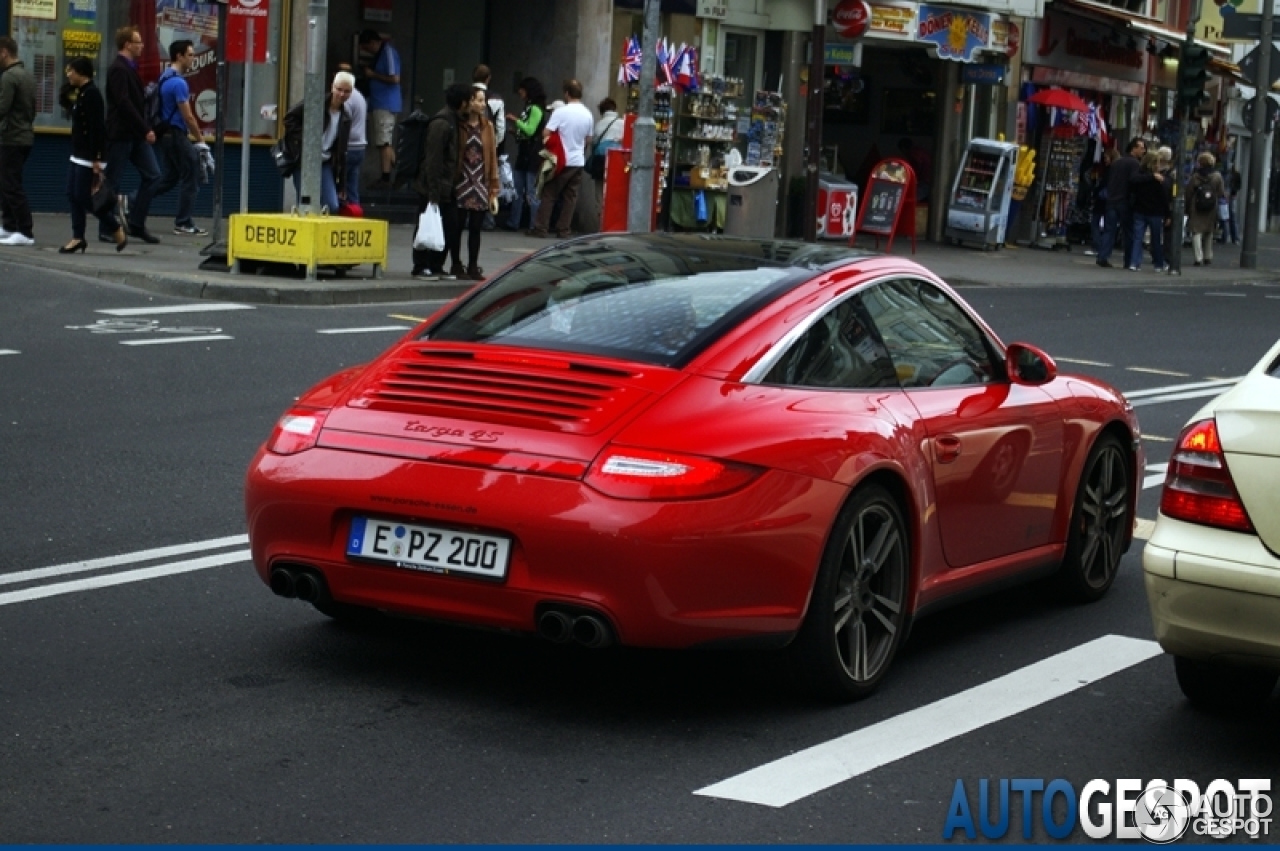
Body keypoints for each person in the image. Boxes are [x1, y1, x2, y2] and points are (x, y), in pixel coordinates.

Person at [57, 58, 127, 253]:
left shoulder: (93, 95)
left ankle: (114, 227)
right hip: (77, 153)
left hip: (89, 156)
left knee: (84, 197)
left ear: (82, 73)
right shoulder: (81, 93)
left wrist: (97, 158)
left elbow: (97, 128)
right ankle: (77, 237)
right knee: (72, 194)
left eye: (71, 70)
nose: (68, 74)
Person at [101, 26, 162, 244]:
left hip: (135, 134)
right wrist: (145, 129)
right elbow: (123, 102)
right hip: (121, 133)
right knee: (113, 181)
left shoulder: (130, 68)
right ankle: (107, 227)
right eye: (138, 42)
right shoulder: (118, 69)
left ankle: (136, 223)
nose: (142, 46)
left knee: (153, 175)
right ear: (127, 44)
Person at [151, 40, 208, 236]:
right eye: (190, 55)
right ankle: (183, 222)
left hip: (165, 135)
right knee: (190, 174)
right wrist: (200, 139)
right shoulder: (179, 83)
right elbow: (188, 116)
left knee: (170, 177)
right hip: (176, 134)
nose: (193, 58)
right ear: (179, 56)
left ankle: (132, 201)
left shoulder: (164, 77)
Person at [411, 83, 468, 280]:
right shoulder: (442, 123)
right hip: (433, 186)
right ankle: (421, 265)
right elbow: (433, 159)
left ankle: (436, 265)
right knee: (426, 222)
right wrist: (433, 191)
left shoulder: (453, 121)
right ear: (463, 103)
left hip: (447, 186)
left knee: (449, 226)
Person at [527, 79, 593, 239]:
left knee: (549, 194)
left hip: (560, 160)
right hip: (577, 161)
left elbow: (546, 133)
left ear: (566, 94)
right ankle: (563, 229)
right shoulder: (588, 114)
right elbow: (588, 139)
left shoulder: (560, 112)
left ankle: (541, 227)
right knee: (570, 197)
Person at [281, 71, 353, 213]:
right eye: (339, 89)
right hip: (304, 159)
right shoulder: (316, 103)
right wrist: (306, 140)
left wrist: (342, 185)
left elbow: (342, 152)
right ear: (332, 87)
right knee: (305, 203)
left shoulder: (345, 117)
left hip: (324, 162)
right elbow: (289, 118)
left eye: (347, 91)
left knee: (332, 205)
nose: (342, 94)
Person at [449, 87, 499, 281]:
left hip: (480, 181)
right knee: (457, 225)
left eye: (483, 100)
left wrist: (494, 185)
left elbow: (492, 156)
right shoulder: (459, 125)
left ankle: (472, 265)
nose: (482, 104)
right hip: (462, 180)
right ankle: (455, 263)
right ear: (469, 102)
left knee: (476, 227)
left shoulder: (487, 126)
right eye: (479, 100)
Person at [0, 35, 37, 246]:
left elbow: (2, 108)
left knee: (11, 184)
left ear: (4, 52)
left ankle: (24, 231)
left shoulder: (9, 77)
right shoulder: (27, 75)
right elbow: (32, 109)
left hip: (11, 137)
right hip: (24, 135)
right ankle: (9, 226)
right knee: (7, 182)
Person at [502, 77, 547, 231]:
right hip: (525, 152)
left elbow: (530, 130)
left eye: (521, 89)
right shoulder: (529, 107)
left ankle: (535, 225)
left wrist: (515, 120)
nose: (519, 92)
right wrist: (515, 133)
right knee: (517, 189)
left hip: (532, 154)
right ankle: (515, 221)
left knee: (531, 192)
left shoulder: (535, 108)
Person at [358, 30, 401, 188]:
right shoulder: (380, 54)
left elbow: (395, 78)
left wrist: (372, 75)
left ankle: (386, 177)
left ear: (373, 43)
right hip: (378, 102)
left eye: (367, 48)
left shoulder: (387, 52)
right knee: (384, 140)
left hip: (386, 103)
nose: (367, 51)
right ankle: (399, 171)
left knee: (384, 142)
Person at [1095, 136, 1145, 269]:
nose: (1143, 150)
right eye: (1141, 148)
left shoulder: (1117, 162)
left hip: (1112, 200)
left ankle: (1103, 256)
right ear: (1134, 148)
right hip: (1125, 201)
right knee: (1128, 232)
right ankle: (1128, 260)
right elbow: (1134, 180)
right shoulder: (1134, 163)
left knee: (1109, 230)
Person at [1126, 152, 1168, 272]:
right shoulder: (1158, 179)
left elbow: (1133, 183)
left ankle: (1134, 262)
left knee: (1137, 238)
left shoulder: (1139, 176)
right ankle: (1159, 264)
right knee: (1156, 239)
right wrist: (1167, 213)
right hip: (1155, 212)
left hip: (1140, 210)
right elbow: (1163, 197)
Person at [1186, 151, 1225, 267]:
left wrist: (1187, 208)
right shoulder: (1217, 176)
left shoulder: (1195, 176)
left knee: (1196, 231)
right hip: (1211, 207)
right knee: (1209, 231)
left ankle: (1198, 257)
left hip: (1196, 206)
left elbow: (1189, 192)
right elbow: (1221, 192)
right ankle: (1208, 256)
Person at [337, 63, 368, 207]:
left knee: (340, 188)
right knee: (352, 188)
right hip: (359, 146)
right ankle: (355, 215)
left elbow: (342, 123)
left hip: (349, 147)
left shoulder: (347, 99)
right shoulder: (359, 96)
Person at [897, 137, 932, 201]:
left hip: (925, 182)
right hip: (927, 181)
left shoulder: (914, 154)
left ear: (903, 149)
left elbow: (916, 168)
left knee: (912, 199)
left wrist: (914, 180)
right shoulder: (919, 151)